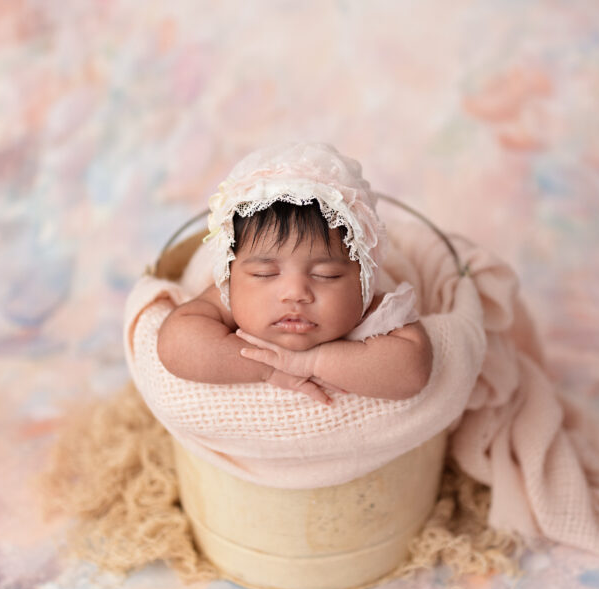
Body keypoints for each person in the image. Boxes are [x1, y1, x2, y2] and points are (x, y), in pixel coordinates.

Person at [156, 144, 432, 405]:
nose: (295, 293)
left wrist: (310, 362)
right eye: (264, 274)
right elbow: (176, 345)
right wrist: (269, 367)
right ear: (231, 278)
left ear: (363, 280)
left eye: (326, 275)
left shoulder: (368, 307)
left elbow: (413, 371)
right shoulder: (231, 297)